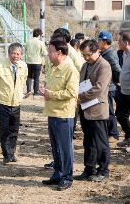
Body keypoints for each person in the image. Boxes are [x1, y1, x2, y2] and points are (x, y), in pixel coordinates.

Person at [40, 39, 79, 191]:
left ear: (59, 53)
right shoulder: (53, 67)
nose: (48, 54)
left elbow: (71, 92)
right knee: (55, 147)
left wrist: (51, 94)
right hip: (52, 112)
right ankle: (57, 173)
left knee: (64, 148)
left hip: (64, 114)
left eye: (50, 51)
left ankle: (66, 177)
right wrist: (45, 91)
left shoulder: (70, 69)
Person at [76, 39, 112, 182]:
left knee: (101, 142)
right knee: (88, 141)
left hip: (97, 109)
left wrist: (79, 97)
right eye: (83, 55)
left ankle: (103, 170)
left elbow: (99, 89)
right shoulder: (85, 65)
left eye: (88, 55)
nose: (86, 58)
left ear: (97, 51)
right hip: (85, 109)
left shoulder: (104, 66)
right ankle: (89, 168)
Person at [0, 43, 28, 164]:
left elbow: (24, 80)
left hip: (16, 102)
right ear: (9, 53)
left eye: (18, 54)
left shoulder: (23, 66)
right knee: (5, 129)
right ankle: (6, 154)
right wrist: (4, 92)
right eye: (13, 53)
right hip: (3, 102)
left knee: (14, 129)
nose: (15, 56)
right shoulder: (0, 65)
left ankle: (12, 153)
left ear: (21, 55)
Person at [98, 31, 121, 142]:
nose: (98, 42)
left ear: (104, 41)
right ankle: (108, 132)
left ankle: (114, 134)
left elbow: (117, 70)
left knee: (109, 111)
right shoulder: (104, 52)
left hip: (109, 86)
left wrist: (117, 82)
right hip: (105, 86)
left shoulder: (110, 54)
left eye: (99, 40)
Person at [24, 28, 47, 98]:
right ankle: (36, 92)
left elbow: (25, 51)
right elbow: (44, 53)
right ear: (39, 35)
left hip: (29, 61)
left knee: (29, 76)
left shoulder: (28, 42)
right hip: (37, 62)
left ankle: (28, 91)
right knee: (36, 77)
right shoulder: (40, 43)